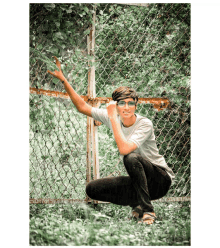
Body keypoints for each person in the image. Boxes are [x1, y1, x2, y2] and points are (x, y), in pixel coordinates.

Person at [47, 56, 175, 225]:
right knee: (92, 188)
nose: (127, 108)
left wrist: (113, 118)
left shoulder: (144, 123)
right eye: (122, 103)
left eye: (131, 103)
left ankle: (147, 211)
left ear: (136, 105)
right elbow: (82, 107)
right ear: (116, 105)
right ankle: (136, 203)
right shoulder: (112, 115)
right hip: (140, 181)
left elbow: (125, 149)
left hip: (160, 180)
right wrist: (63, 79)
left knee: (130, 157)